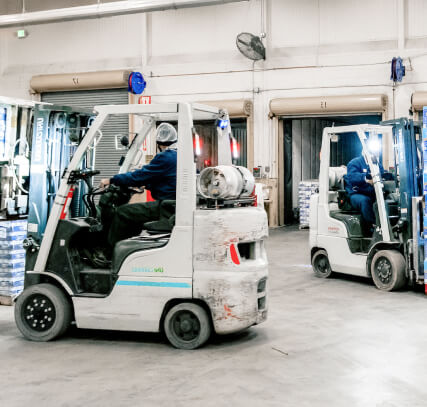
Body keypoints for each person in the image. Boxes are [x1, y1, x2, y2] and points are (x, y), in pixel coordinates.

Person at [99, 123, 177, 248]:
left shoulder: (165, 157)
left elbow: (139, 176)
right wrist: (147, 186)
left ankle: (108, 254)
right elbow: (167, 181)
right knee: (134, 214)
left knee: (122, 212)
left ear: (158, 142)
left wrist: (112, 180)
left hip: (165, 207)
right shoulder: (178, 155)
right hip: (172, 205)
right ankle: (128, 246)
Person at [344, 154, 385, 233]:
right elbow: (352, 177)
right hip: (356, 193)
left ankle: (387, 224)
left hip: (372, 193)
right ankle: (372, 226)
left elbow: (382, 175)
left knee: (387, 199)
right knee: (365, 201)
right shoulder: (354, 163)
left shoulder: (377, 165)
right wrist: (366, 178)